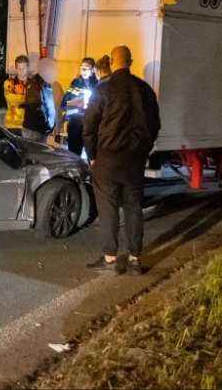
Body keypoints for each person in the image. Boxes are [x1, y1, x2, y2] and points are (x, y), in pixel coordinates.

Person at [83, 45, 160, 276]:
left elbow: (89, 127)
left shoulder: (103, 89)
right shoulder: (145, 90)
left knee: (107, 209)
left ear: (113, 62)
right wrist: (143, 152)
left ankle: (110, 259)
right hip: (134, 160)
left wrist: (92, 157)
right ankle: (136, 260)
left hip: (107, 158)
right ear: (131, 61)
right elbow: (154, 127)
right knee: (134, 208)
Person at [61, 57, 98, 157]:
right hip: (74, 126)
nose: (84, 70)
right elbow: (64, 103)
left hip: (91, 128)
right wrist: (74, 106)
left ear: (93, 69)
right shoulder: (75, 83)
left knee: (92, 158)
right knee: (73, 157)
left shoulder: (97, 84)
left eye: (87, 67)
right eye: (82, 67)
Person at [22, 57, 58, 143]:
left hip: (40, 131)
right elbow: (35, 108)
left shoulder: (45, 83)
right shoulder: (35, 84)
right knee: (35, 156)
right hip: (35, 132)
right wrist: (46, 125)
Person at [4, 55, 31, 135]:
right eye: (19, 68)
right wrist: (27, 97)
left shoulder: (34, 84)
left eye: (23, 68)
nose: (21, 71)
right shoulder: (9, 83)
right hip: (12, 125)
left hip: (28, 125)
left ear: (28, 68)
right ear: (16, 68)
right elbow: (10, 99)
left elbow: (36, 101)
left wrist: (18, 99)